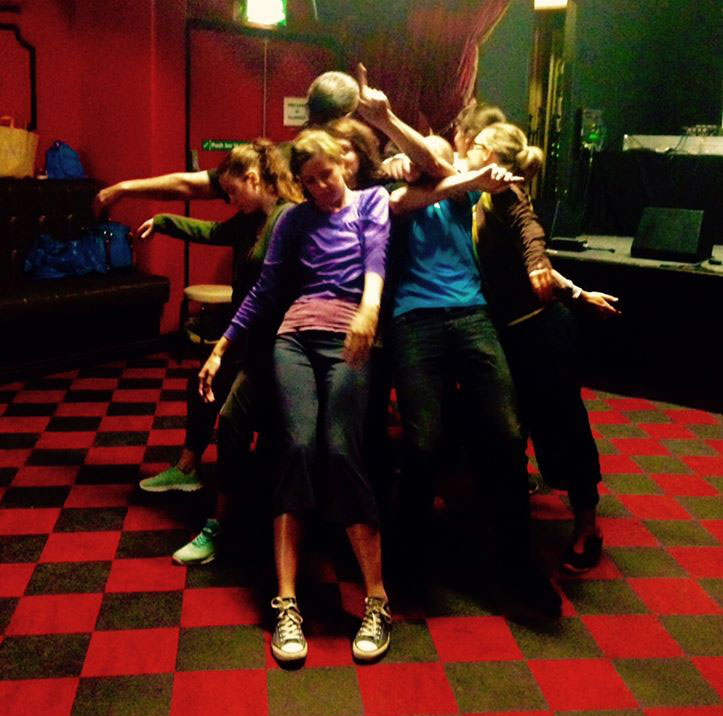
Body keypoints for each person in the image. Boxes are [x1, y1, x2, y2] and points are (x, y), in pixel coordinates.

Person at [354, 67, 561, 617]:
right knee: (423, 446)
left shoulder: (464, 193)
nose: (428, 157)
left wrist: (390, 122)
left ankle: (515, 569)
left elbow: (444, 168)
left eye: (436, 152)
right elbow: (405, 199)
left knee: (507, 435)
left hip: (471, 316)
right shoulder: (389, 191)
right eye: (415, 153)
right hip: (413, 320)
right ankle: (406, 566)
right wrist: (390, 133)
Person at [198, 128, 393, 664]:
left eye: (326, 175)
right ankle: (286, 602)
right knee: (297, 449)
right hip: (295, 340)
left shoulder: (371, 203)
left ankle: (377, 599)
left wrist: (368, 311)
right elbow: (264, 291)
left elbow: (376, 262)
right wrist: (222, 347)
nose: (321, 188)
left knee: (341, 450)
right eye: (309, 182)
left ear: (343, 165)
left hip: (351, 336)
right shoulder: (293, 220)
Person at [134, 140, 300, 565]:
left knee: (248, 427)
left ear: (254, 178)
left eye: (232, 190)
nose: (229, 199)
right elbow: (211, 232)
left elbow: (275, 289)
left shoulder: (288, 218)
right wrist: (163, 221)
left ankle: (234, 519)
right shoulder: (250, 220)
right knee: (207, 394)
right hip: (245, 334)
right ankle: (194, 476)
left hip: (278, 342)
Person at [467, 121, 619, 572]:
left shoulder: (506, 194)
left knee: (564, 428)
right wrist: (577, 291)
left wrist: (542, 265)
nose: (467, 148)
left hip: (542, 333)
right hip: (508, 335)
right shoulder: (474, 195)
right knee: (510, 429)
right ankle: (511, 523)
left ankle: (588, 526)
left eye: (476, 144)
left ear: (492, 157)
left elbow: (530, 233)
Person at [92, 70, 359, 215]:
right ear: (349, 115)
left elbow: (190, 185)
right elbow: (193, 185)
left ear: (308, 107)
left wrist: (125, 188)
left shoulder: (281, 157)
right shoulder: (364, 163)